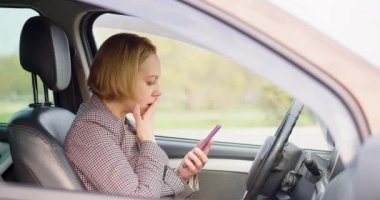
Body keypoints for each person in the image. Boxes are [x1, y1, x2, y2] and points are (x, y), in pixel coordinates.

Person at [64, 33, 212, 199]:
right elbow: (140, 197)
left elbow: (148, 185)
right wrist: (148, 142)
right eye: (150, 82)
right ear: (121, 78)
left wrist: (182, 175)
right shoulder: (91, 133)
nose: (158, 91)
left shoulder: (119, 123)